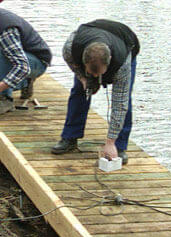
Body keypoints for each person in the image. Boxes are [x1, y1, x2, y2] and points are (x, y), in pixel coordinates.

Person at [51, 20, 139, 165]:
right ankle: (70, 137)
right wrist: (83, 78)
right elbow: (72, 64)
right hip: (90, 35)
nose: (95, 77)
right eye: (91, 72)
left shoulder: (122, 64)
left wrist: (109, 142)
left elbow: (119, 104)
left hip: (125, 41)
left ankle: (118, 145)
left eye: (98, 74)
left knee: (125, 100)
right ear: (83, 61)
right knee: (79, 91)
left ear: (109, 61)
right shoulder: (70, 48)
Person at [0, 0, 52, 115]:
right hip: (17, 58)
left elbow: (23, 67)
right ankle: (26, 82)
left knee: (1, 51)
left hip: (37, 61)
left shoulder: (6, 32)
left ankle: (5, 100)